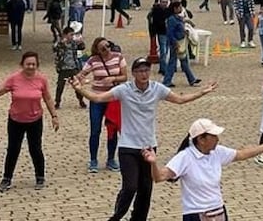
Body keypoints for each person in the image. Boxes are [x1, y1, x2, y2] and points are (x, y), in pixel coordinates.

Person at [69, 57, 218, 221]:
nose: (144, 74)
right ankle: (117, 216)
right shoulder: (124, 90)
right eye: (140, 70)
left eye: (146, 70)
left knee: (146, 189)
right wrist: (79, 89)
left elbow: (180, 99)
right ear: (133, 73)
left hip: (148, 147)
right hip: (128, 146)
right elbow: (98, 98)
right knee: (130, 187)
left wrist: (201, 92)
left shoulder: (157, 89)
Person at [143, 118, 263, 221]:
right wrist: (153, 163)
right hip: (196, 214)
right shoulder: (185, 157)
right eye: (213, 136)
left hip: (219, 210)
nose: (217, 138)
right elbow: (159, 177)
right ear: (201, 139)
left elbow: (241, 154)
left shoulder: (217, 152)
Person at [0, 50, 58, 191]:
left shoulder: (41, 79)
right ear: (22, 64)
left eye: (33, 64)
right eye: (28, 64)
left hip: (35, 119)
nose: (31, 67)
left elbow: (48, 98)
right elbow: (0, 91)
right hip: (16, 120)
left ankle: (40, 177)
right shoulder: (14, 78)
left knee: (36, 149)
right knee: (13, 149)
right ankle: (7, 178)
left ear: (37, 65)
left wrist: (54, 116)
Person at [77, 36, 128, 172]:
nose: (107, 50)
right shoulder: (93, 61)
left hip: (113, 98)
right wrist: (79, 79)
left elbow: (125, 77)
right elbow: (82, 74)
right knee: (95, 130)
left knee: (112, 130)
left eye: (108, 46)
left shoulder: (118, 57)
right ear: (98, 51)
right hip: (97, 98)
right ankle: (93, 159)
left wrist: (113, 78)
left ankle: (111, 159)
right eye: (103, 49)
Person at [53, 21, 86, 110]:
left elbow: (82, 47)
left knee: (77, 86)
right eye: (71, 35)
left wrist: (81, 42)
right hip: (63, 68)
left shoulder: (74, 43)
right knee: (60, 86)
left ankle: (81, 100)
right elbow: (55, 49)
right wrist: (62, 43)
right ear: (65, 35)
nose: (72, 37)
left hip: (73, 67)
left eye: (73, 35)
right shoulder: (60, 43)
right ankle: (57, 102)